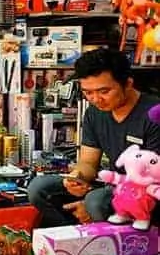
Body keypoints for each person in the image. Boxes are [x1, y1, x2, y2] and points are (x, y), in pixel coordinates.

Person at [28, 48, 160, 228]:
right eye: (88, 93)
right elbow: (89, 162)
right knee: (39, 188)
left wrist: (90, 203)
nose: (96, 99)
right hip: (113, 186)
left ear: (128, 84)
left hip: (147, 194)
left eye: (104, 91)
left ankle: (121, 245)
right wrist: (77, 177)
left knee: (95, 202)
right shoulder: (94, 113)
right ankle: (78, 236)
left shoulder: (154, 114)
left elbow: (149, 179)